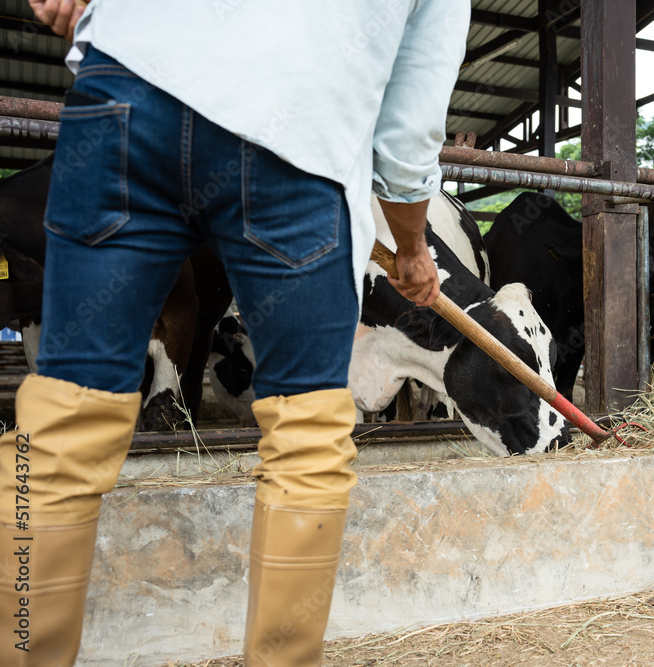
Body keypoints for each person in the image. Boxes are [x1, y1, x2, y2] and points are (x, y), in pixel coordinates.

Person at [0, 1, 469, 665]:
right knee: (308, 438)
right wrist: (413, 245)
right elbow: (410, 125)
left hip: (130, 93)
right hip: (298, 131)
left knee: (56, 428)